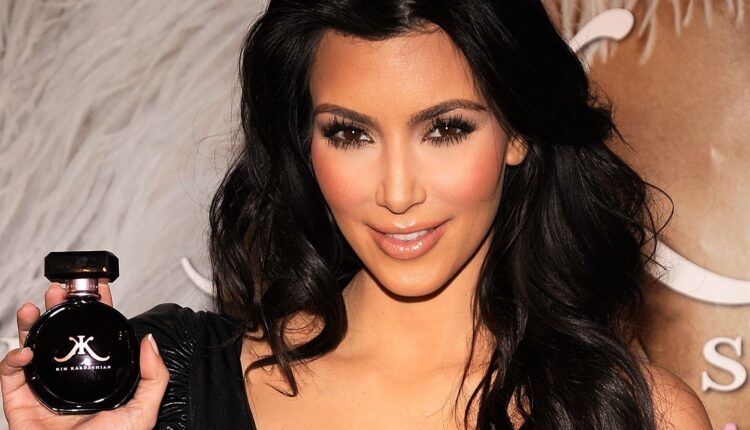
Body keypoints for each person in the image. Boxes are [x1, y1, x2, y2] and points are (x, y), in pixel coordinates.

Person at [2, 0, 714, 428]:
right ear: (304, 142)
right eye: (349, 133)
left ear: (518, 133)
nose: (397, 193)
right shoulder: (171, 383)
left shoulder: (639, 416)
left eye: (445, 129)